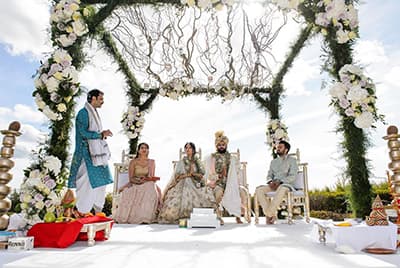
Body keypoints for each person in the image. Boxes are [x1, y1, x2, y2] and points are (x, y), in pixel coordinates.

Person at [68, 89, 113, 215]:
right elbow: (82, 132)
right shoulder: (83, 113)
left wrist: (101, 135)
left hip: (97, 154)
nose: (102, 102)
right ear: (93, 98)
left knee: (101, 182)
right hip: (86, 154)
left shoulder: (94, 113)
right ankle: (82, 211)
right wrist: (100, 134)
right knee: (85, 183)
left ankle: (97, 211)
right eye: (101, 99)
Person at [158, 142, 216, 224]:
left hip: (196, 183)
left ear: (193, 150)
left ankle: (197, 217)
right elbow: (177, 177)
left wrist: (193, 174)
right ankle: (183, 216)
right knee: (187, 181)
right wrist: (187, 175)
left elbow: (201, 175)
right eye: (186, 148)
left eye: (190, 148)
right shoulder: (181, 162)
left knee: (206, 194)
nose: (188, 150)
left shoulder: (198, 162)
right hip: (182, 183)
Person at [114, 142, 161, 224]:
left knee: (151, 186)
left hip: (147, 183)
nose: (144, 149)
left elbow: (151, 177)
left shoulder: (151, 162)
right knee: (129, 192)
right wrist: (139, 181)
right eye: (142, 148)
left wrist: (146, 179)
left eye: (146, 148)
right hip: (135, 183)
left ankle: (146, 217)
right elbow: (131, 178)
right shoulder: (133, 162)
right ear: (138, 150)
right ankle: (136, 217)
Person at [255, 140, 298, 224]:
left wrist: (280, 182)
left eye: (280, 147)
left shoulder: (292, 160)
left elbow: (293, 176)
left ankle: (269, 214)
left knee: (282, 188)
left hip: (286, 185)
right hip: (273, 185)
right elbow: (269, 175)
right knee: (259, 190)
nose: (277, 149)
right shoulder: (273, 162)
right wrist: (270, 181)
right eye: (277, 147)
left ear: (286, 150)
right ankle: (271, 214)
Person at [204, 131, 243, 225]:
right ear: (216, 146)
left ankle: (238, 217)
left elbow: (238, 171)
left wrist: (230, 177)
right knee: (218, 193)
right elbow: (208, 175)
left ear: (226, 145)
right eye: (219, 145)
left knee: (235, 191)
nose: (221, 146)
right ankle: (218, 216)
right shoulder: (211, 158)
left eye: (223, 144)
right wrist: (219, 176)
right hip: (218, 183)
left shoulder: (232, 158)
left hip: (231, 182)